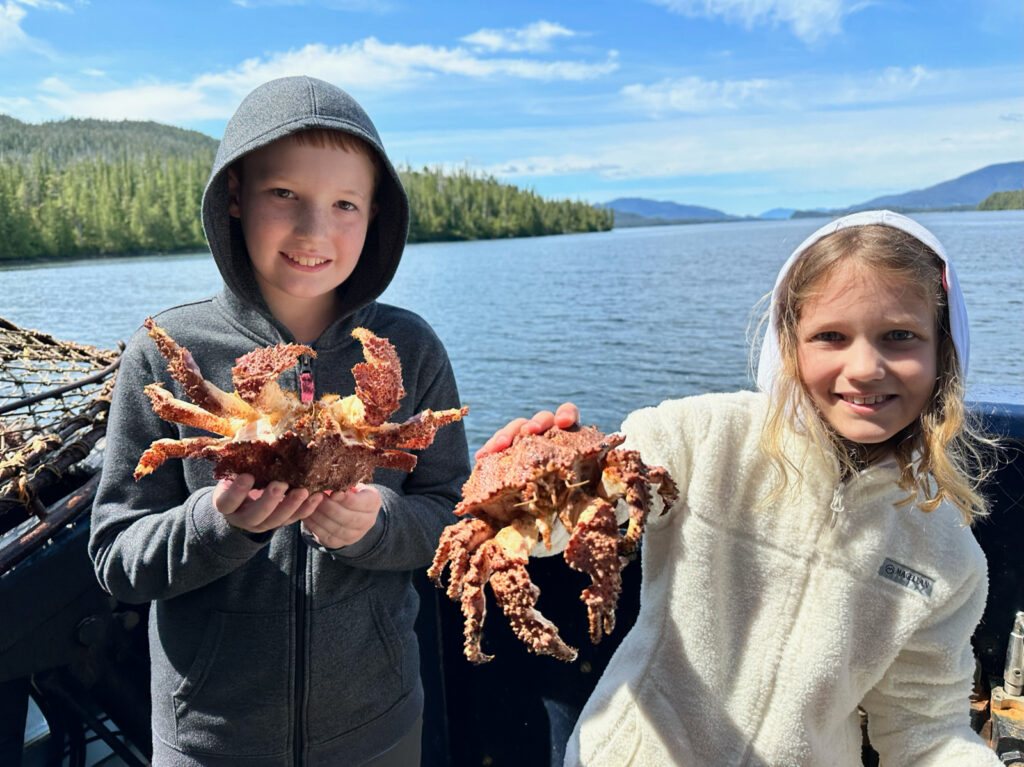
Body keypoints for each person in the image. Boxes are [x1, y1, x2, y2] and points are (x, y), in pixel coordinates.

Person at [480, 210, 1001, 766]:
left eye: (900, 337)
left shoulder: (946, 556)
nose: (865, 367)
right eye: (831, 336)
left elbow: (926, 731)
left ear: (943, 352)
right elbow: (582, 517)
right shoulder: (699, 437)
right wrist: (528, 497)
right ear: (788, 344)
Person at [89, 75, 470, 766]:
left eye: (345, 203)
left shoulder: (409, 351)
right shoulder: (168, 354)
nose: (313, 229)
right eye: (284, 194)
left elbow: (448, 512)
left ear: (376, 214)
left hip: (376, 724)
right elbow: (115, 555)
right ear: (234, 194)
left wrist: (379, 524)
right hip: (211, 738)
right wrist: (218, 523)